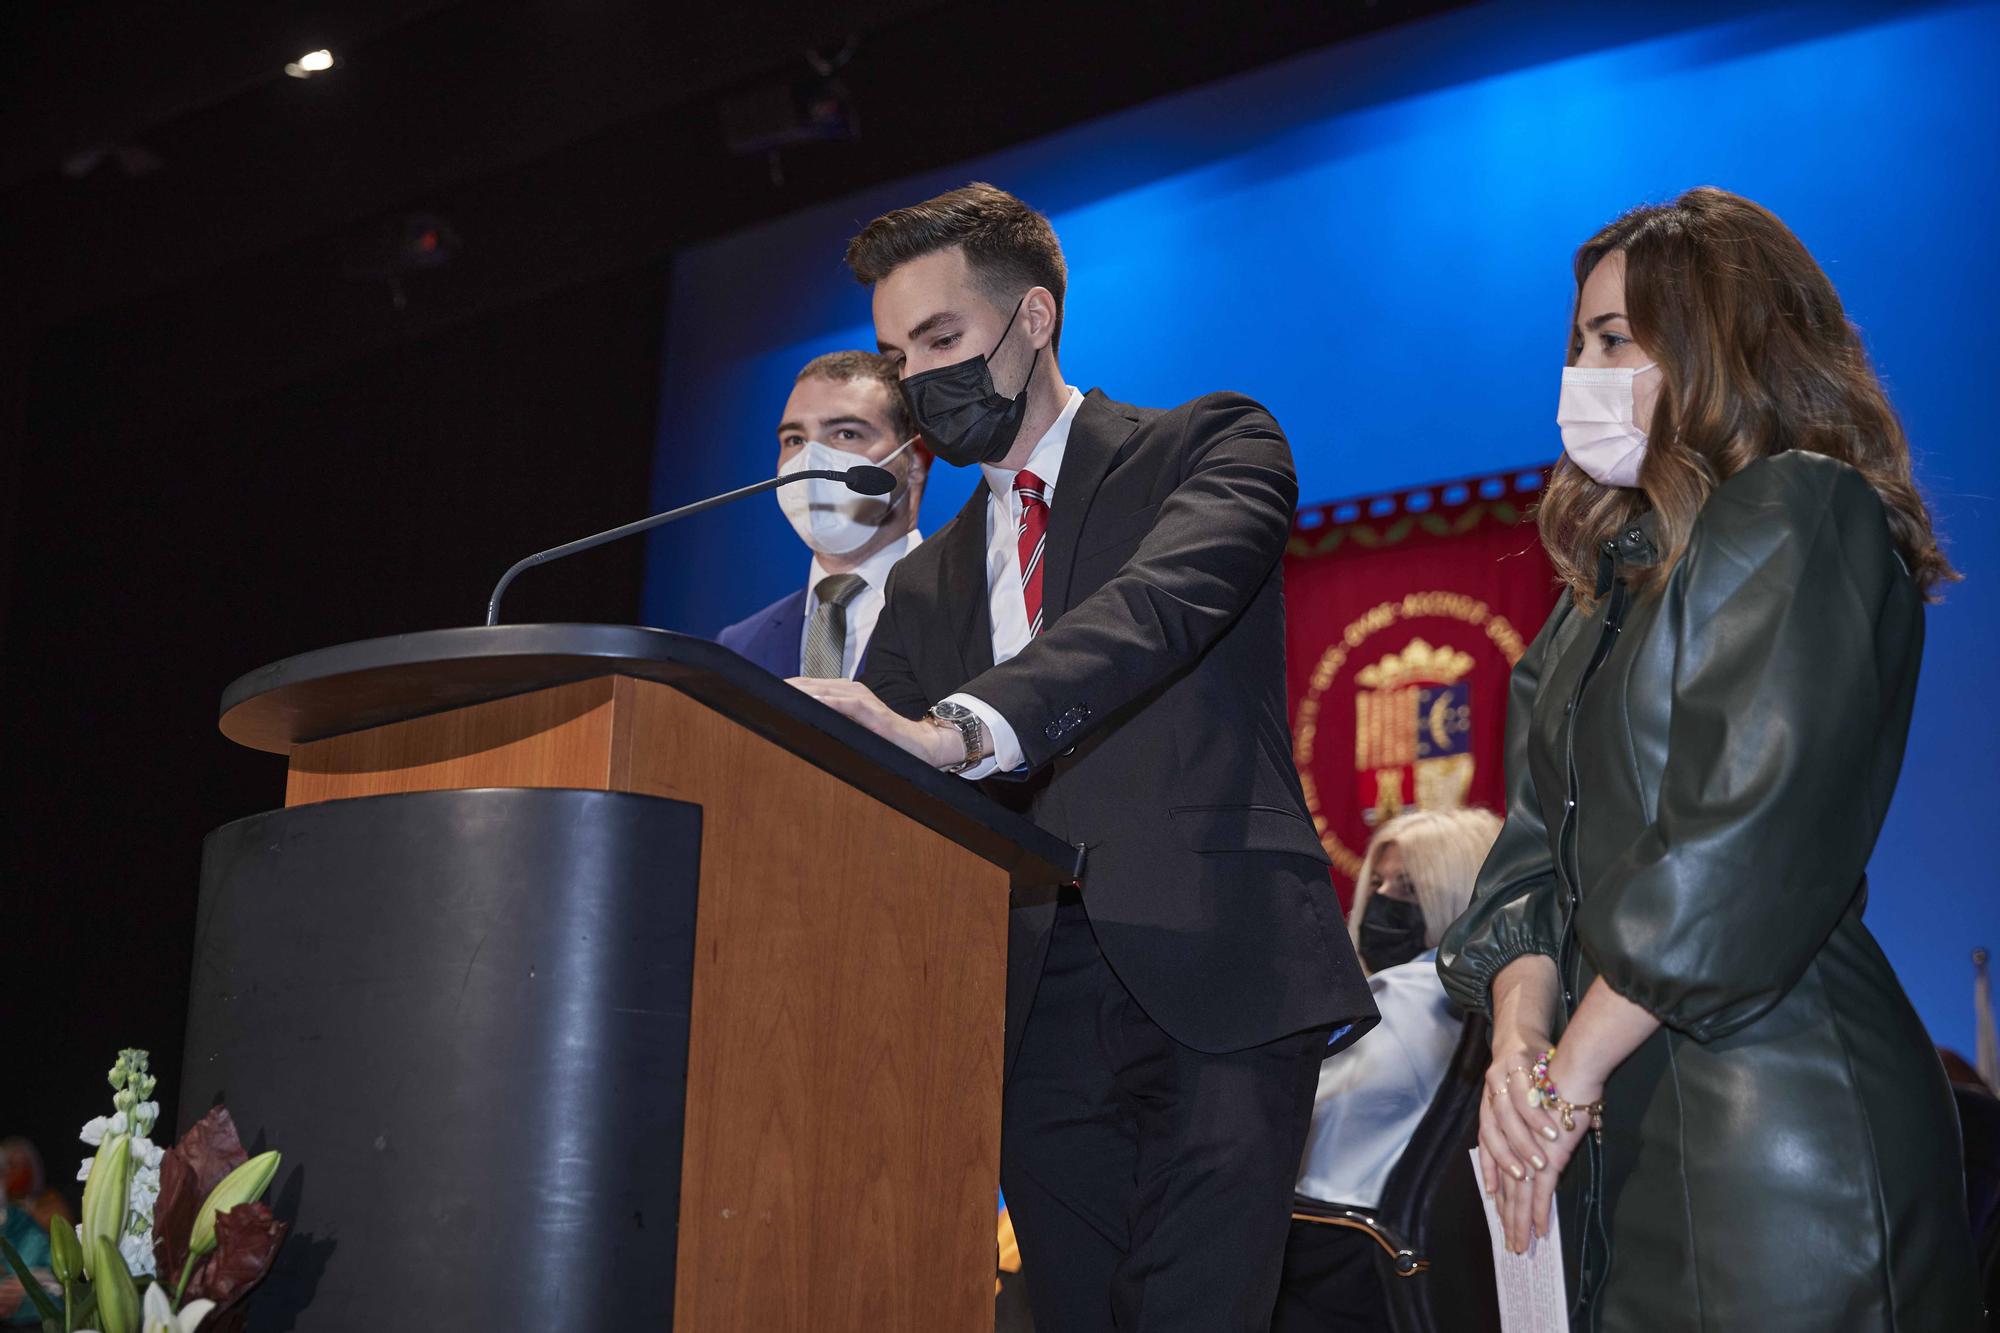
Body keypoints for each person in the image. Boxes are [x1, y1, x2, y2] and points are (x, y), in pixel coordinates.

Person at [789, 182, 1376, 1331]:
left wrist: (959, 727)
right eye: (896, 353)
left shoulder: (1210, 444)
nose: (917, 377)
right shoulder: (924, 580)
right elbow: (882, 790)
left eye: (943, 338)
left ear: (1034, 319)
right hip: (1028, 1006)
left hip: (1215, 958)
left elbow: (1152, 613)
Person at [1436, 185, 1981, 1331]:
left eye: (1612, 339)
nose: (1578, 371)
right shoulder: (1591, 603)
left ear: (1721, 339)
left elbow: (1737, 841)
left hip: (1775, 1134)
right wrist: (1522, 1051)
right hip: (1607, 1124)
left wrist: (1563, 1078)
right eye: (1576, 340)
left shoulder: (1803, 508)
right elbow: (1527, 868)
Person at [1277, 807, 1501, 1333]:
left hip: (1334, 1267)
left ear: (1460, 894)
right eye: (1375, 883)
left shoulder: (1403, 998)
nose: (1378, 903)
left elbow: (1282, 1109)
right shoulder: (1502, 1003)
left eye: (1408, 889)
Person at [716, 350, 928, 679]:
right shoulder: (739, 647)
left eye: (846, 434)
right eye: (795, 439)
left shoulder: (976, 606)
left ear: (914, 462)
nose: (810, 460)